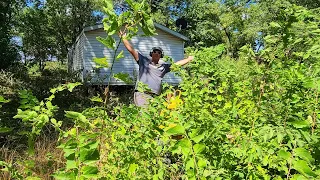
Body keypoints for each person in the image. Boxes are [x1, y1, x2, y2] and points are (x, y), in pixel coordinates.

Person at [120, 31, 194, 107]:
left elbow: (176, 65)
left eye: (159, 52)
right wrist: (123, 38)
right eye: (155, 51)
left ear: (160, 56)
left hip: (155, 97)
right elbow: (131, 50)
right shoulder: (143, 61)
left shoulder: (164, 67)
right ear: (151, 54)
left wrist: (188, 59)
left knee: (153, 117)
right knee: (144, 114)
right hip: (142, 94)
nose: (156, 53)